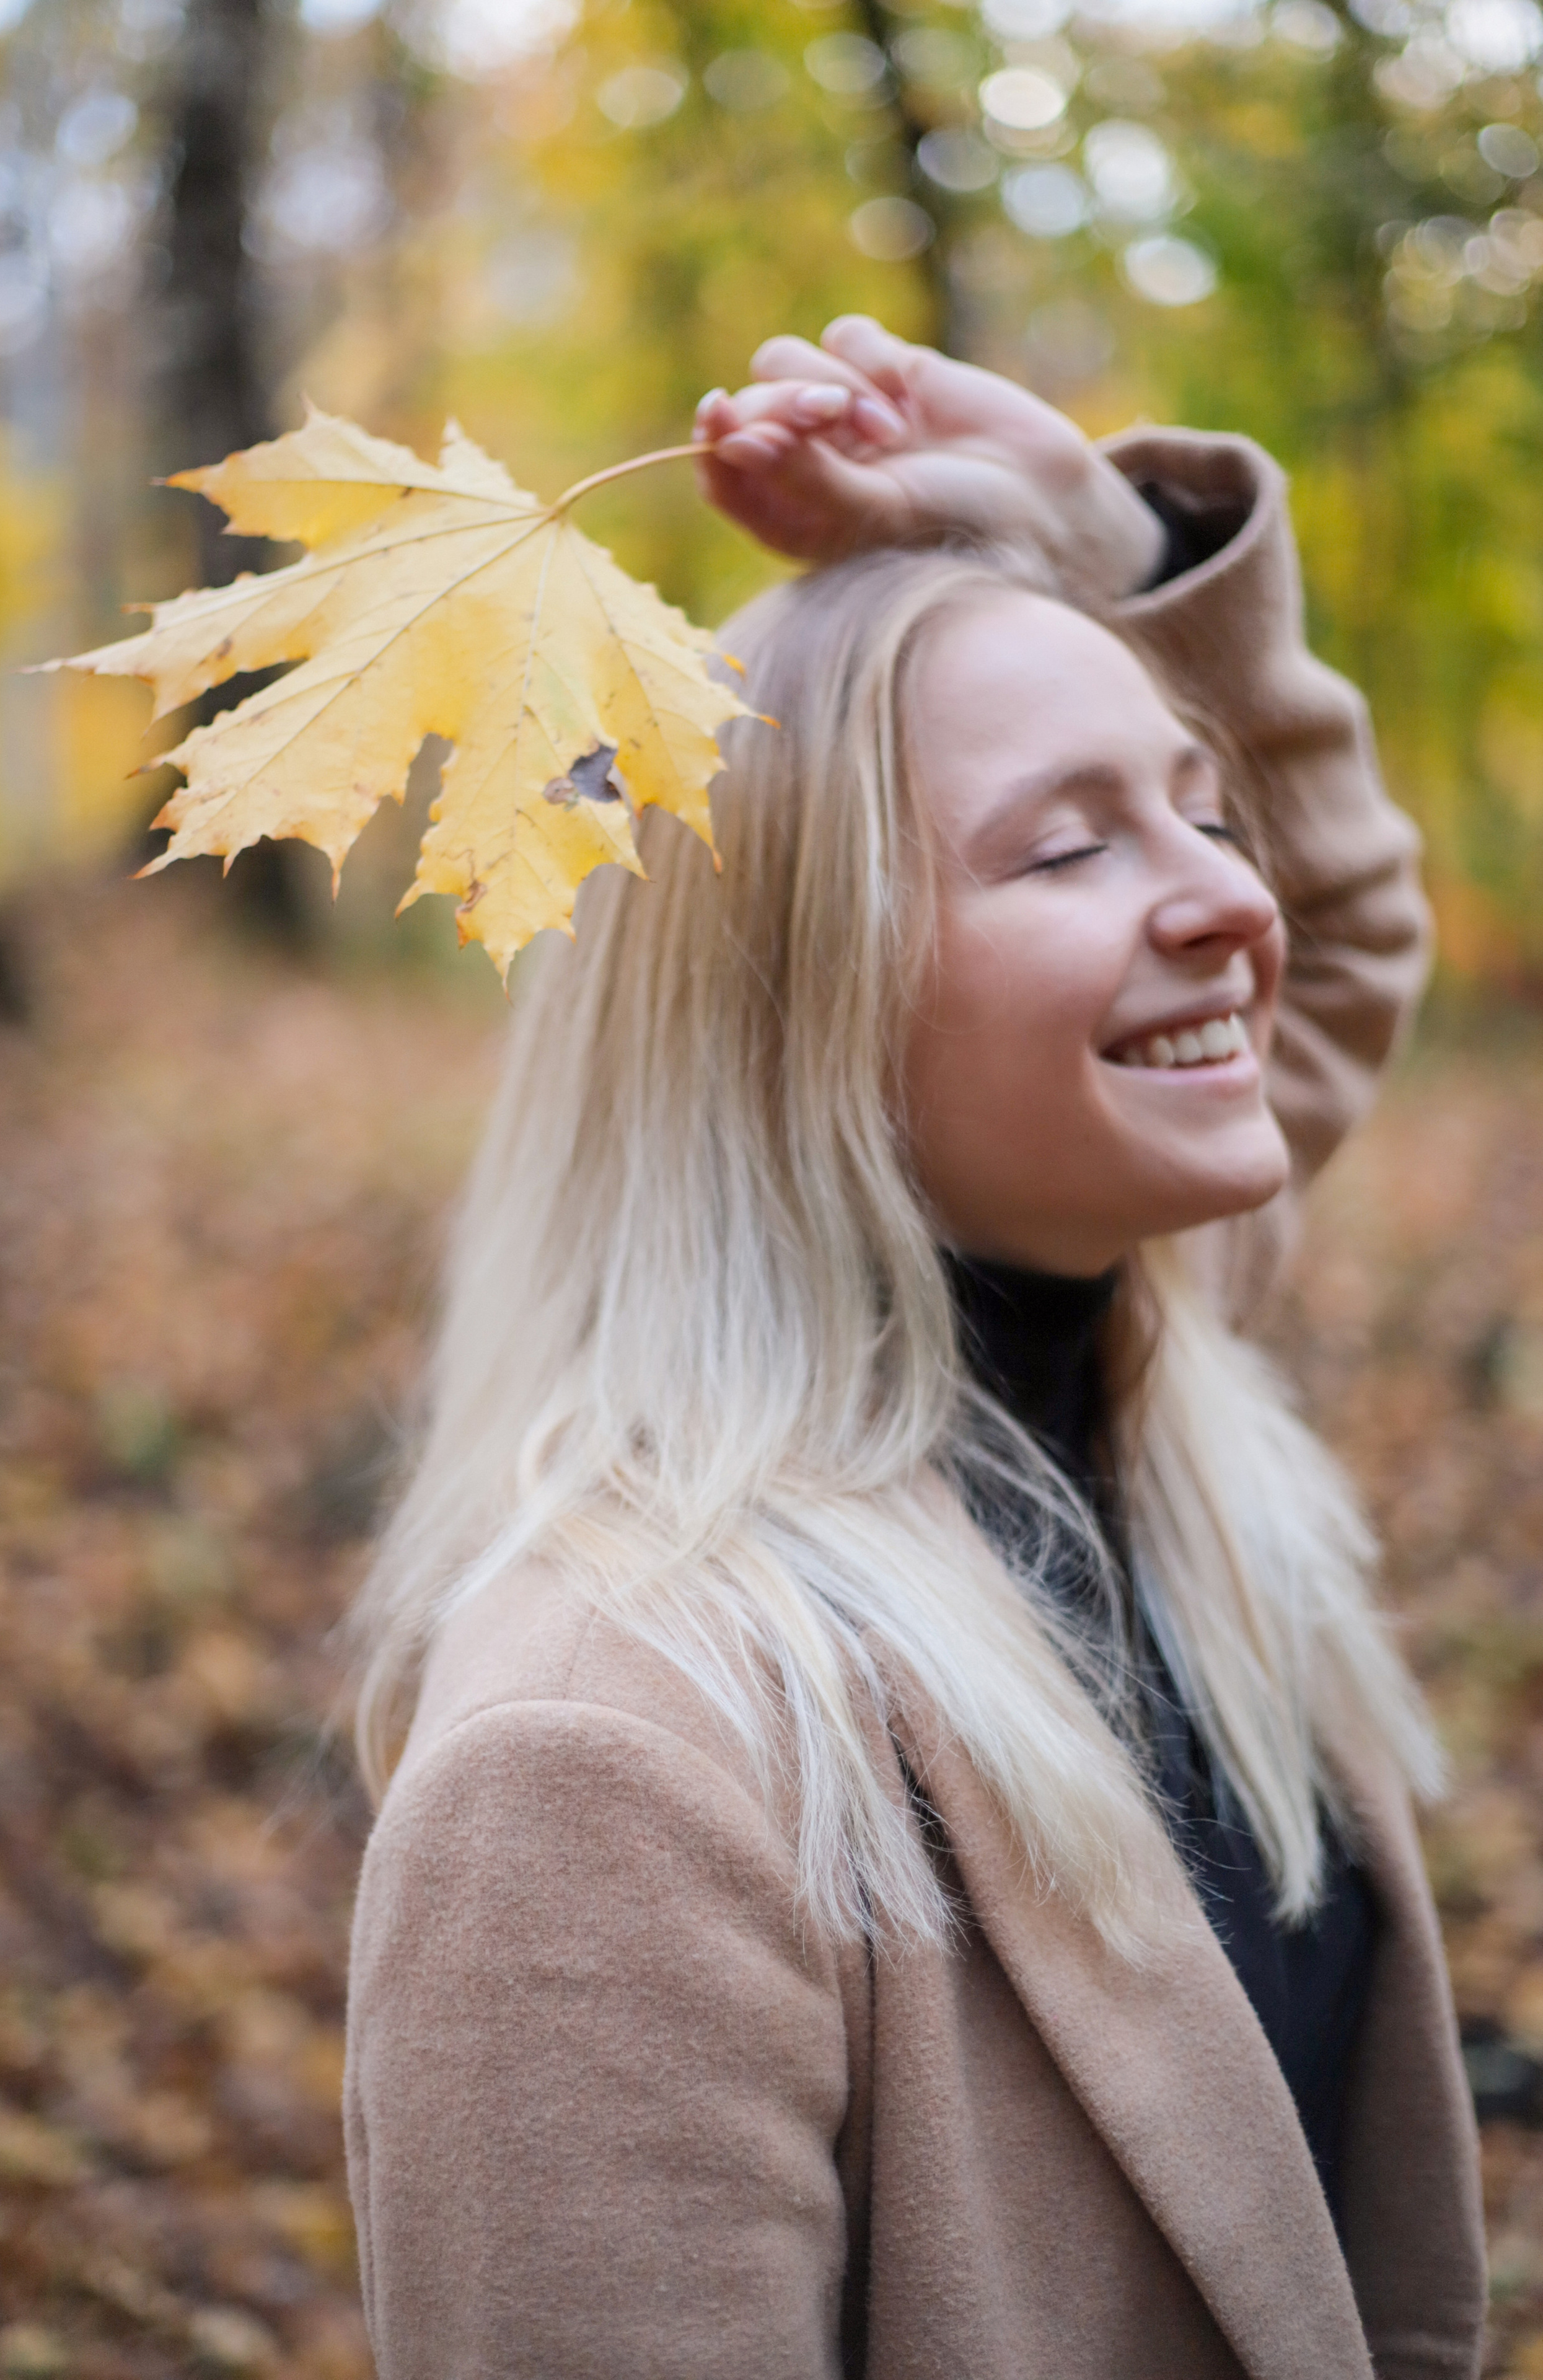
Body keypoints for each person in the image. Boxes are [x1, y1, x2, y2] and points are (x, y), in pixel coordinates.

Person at [341, 319, 1484, 2379]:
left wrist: (1088, 530)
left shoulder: (1132, 1354)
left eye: (1206, 811)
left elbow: (1335, 947)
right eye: (1071, 847)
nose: (1230, 900)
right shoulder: (602, 1771)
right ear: (799, 1008)